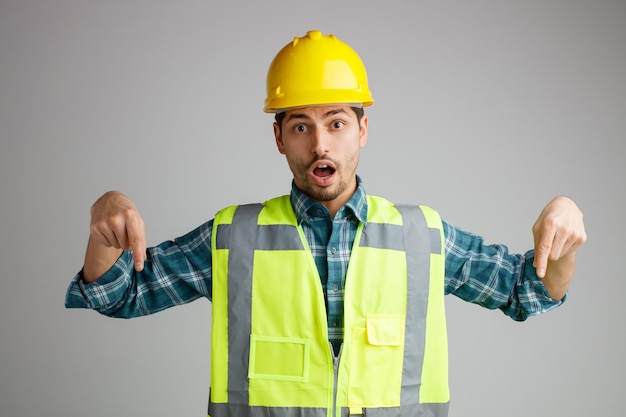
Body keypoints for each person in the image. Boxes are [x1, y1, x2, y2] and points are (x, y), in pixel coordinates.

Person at [65, 30, 586, 417]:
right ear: (279, 138)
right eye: (300, 126)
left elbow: (530, 290)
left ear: (363, 129)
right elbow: (117, 295)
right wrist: (102, 226)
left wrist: (562, 226)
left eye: (337, 123)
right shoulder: (231, 238)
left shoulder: (424, 237)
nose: (320, 144)